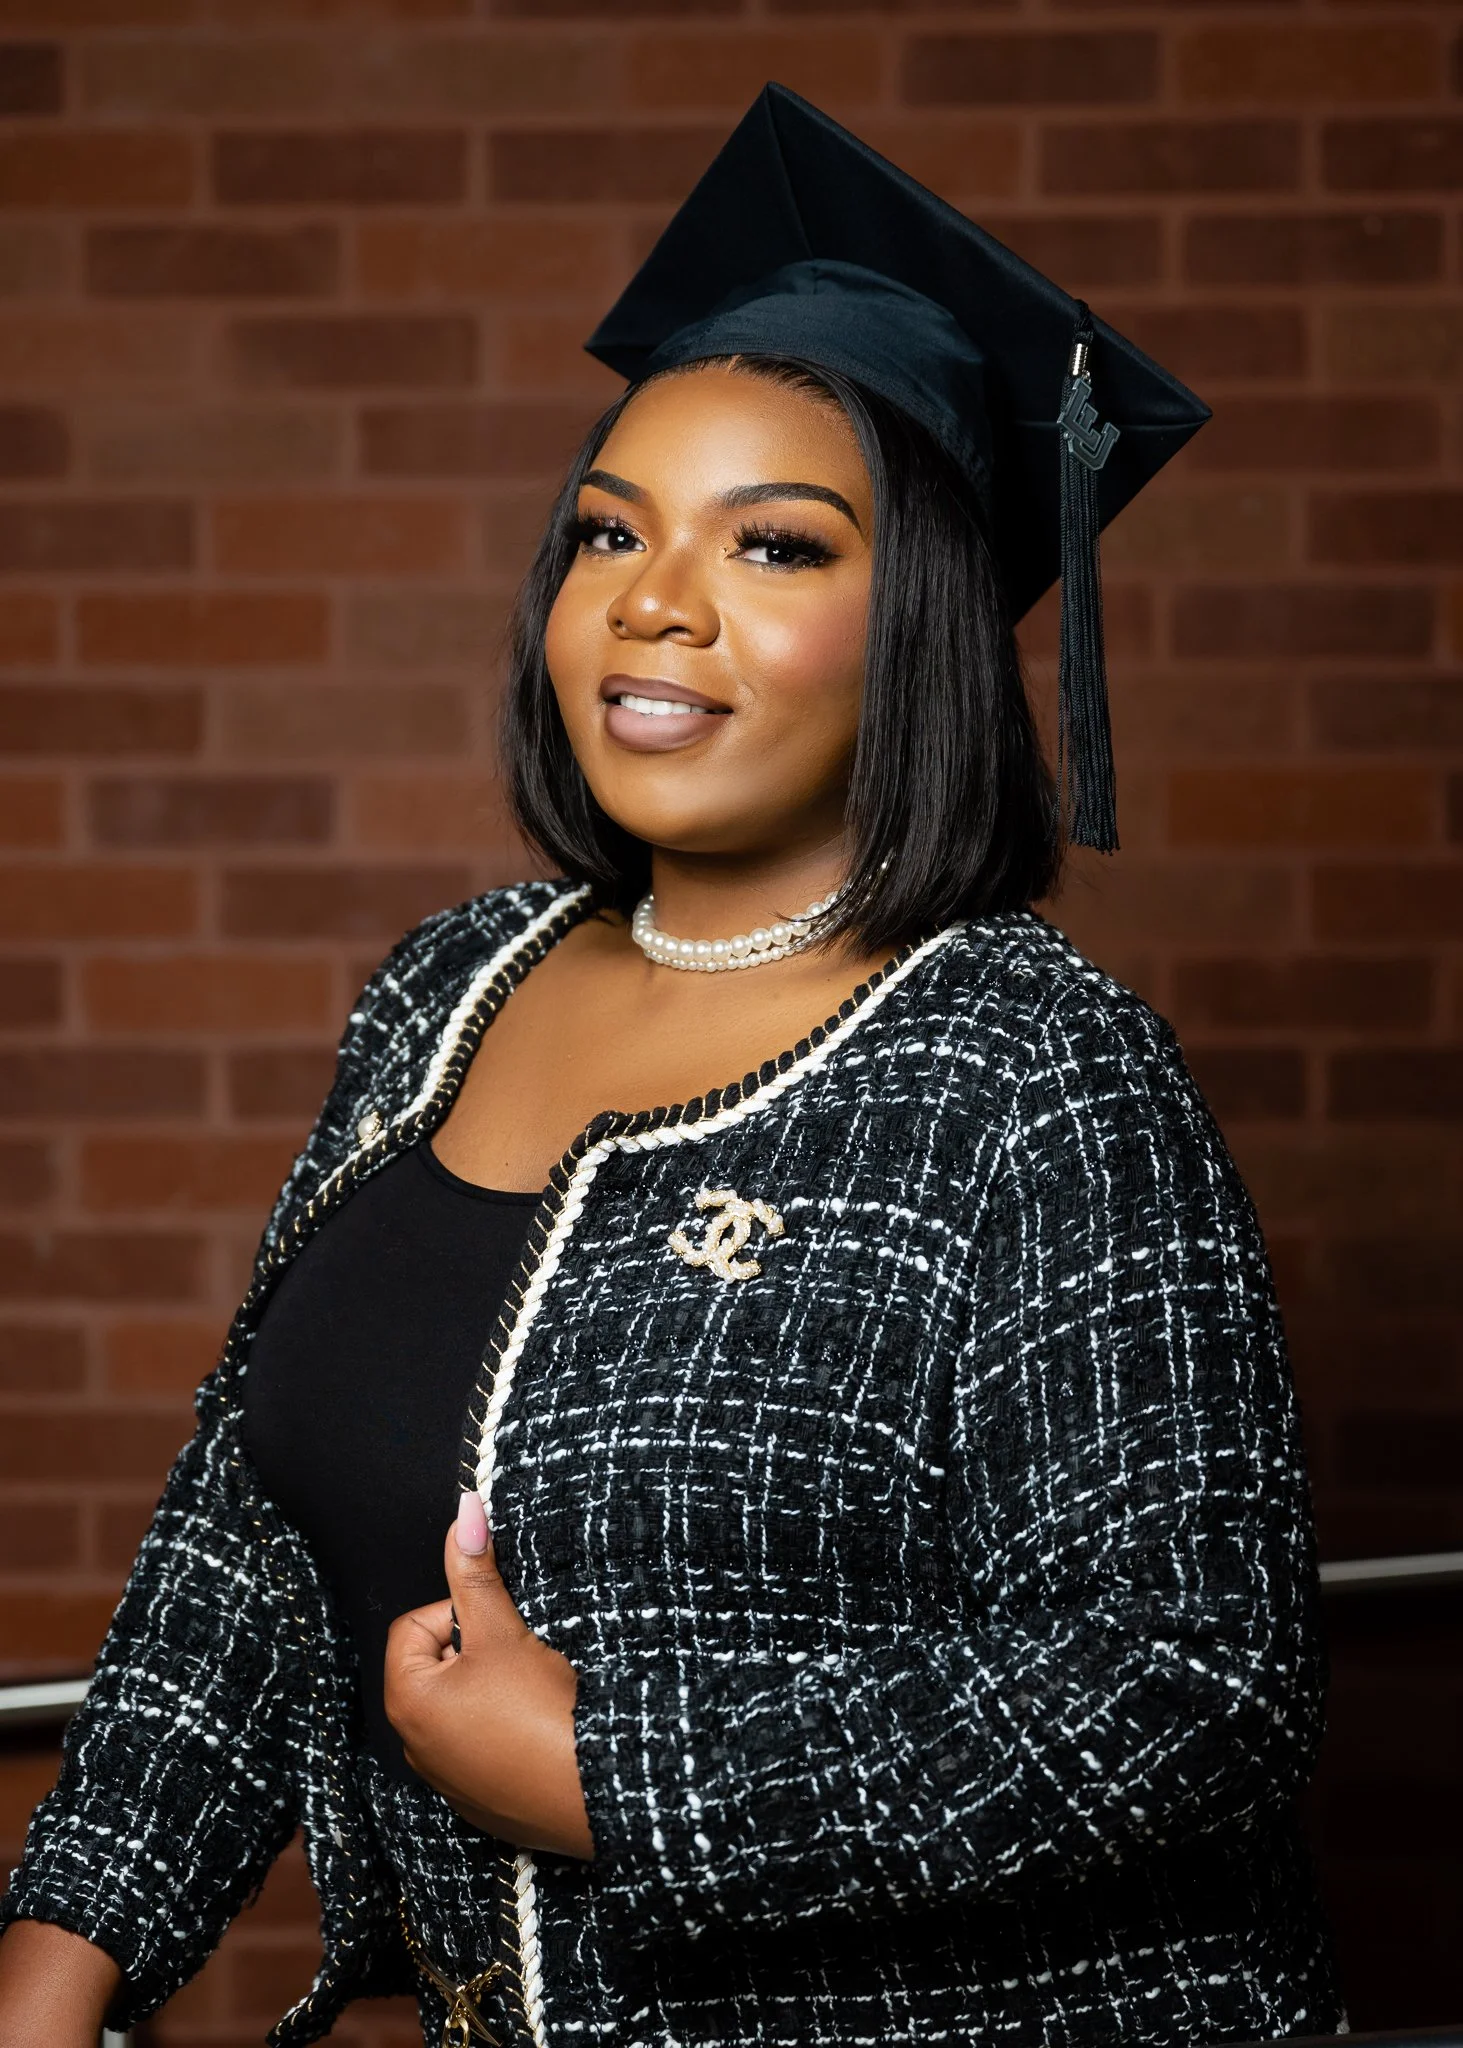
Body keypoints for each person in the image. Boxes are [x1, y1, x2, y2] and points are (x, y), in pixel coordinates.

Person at [0, 85, 1342, 2048]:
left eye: (773, 544)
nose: (651, 601)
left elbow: (1190, 1682)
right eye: (606, 531)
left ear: (923, 629)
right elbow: (249, 1526)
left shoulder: (1031, 1071)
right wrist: (62, 1957)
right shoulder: (448, 986)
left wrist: (619, 1769)